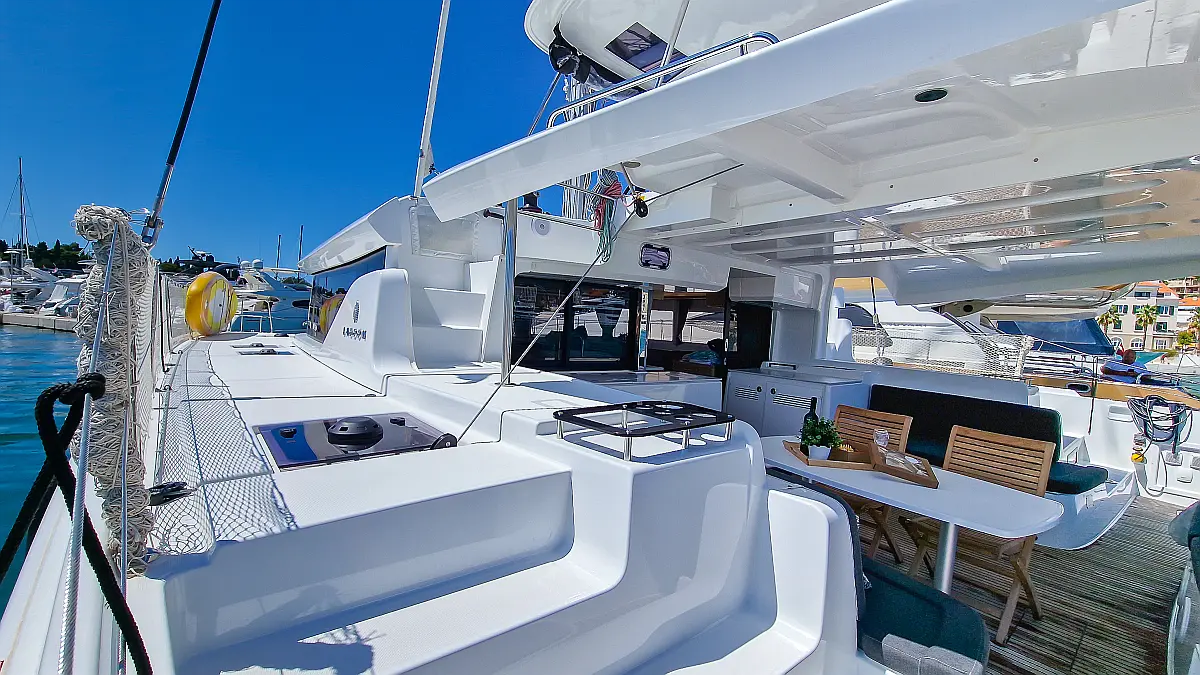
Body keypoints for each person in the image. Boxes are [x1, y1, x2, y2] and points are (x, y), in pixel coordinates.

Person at [1101, 349, 1169, 385]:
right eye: (1126, 357)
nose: (1128, 359)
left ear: (1135, 358)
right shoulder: (1113, 361)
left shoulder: (1139, 366)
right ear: (1123, 356)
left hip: (1126, 384)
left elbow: (1148, 377)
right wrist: (1120, 373)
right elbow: (1103, 369)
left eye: (1131, 357)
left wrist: (1136, 375)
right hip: (1108, 381)